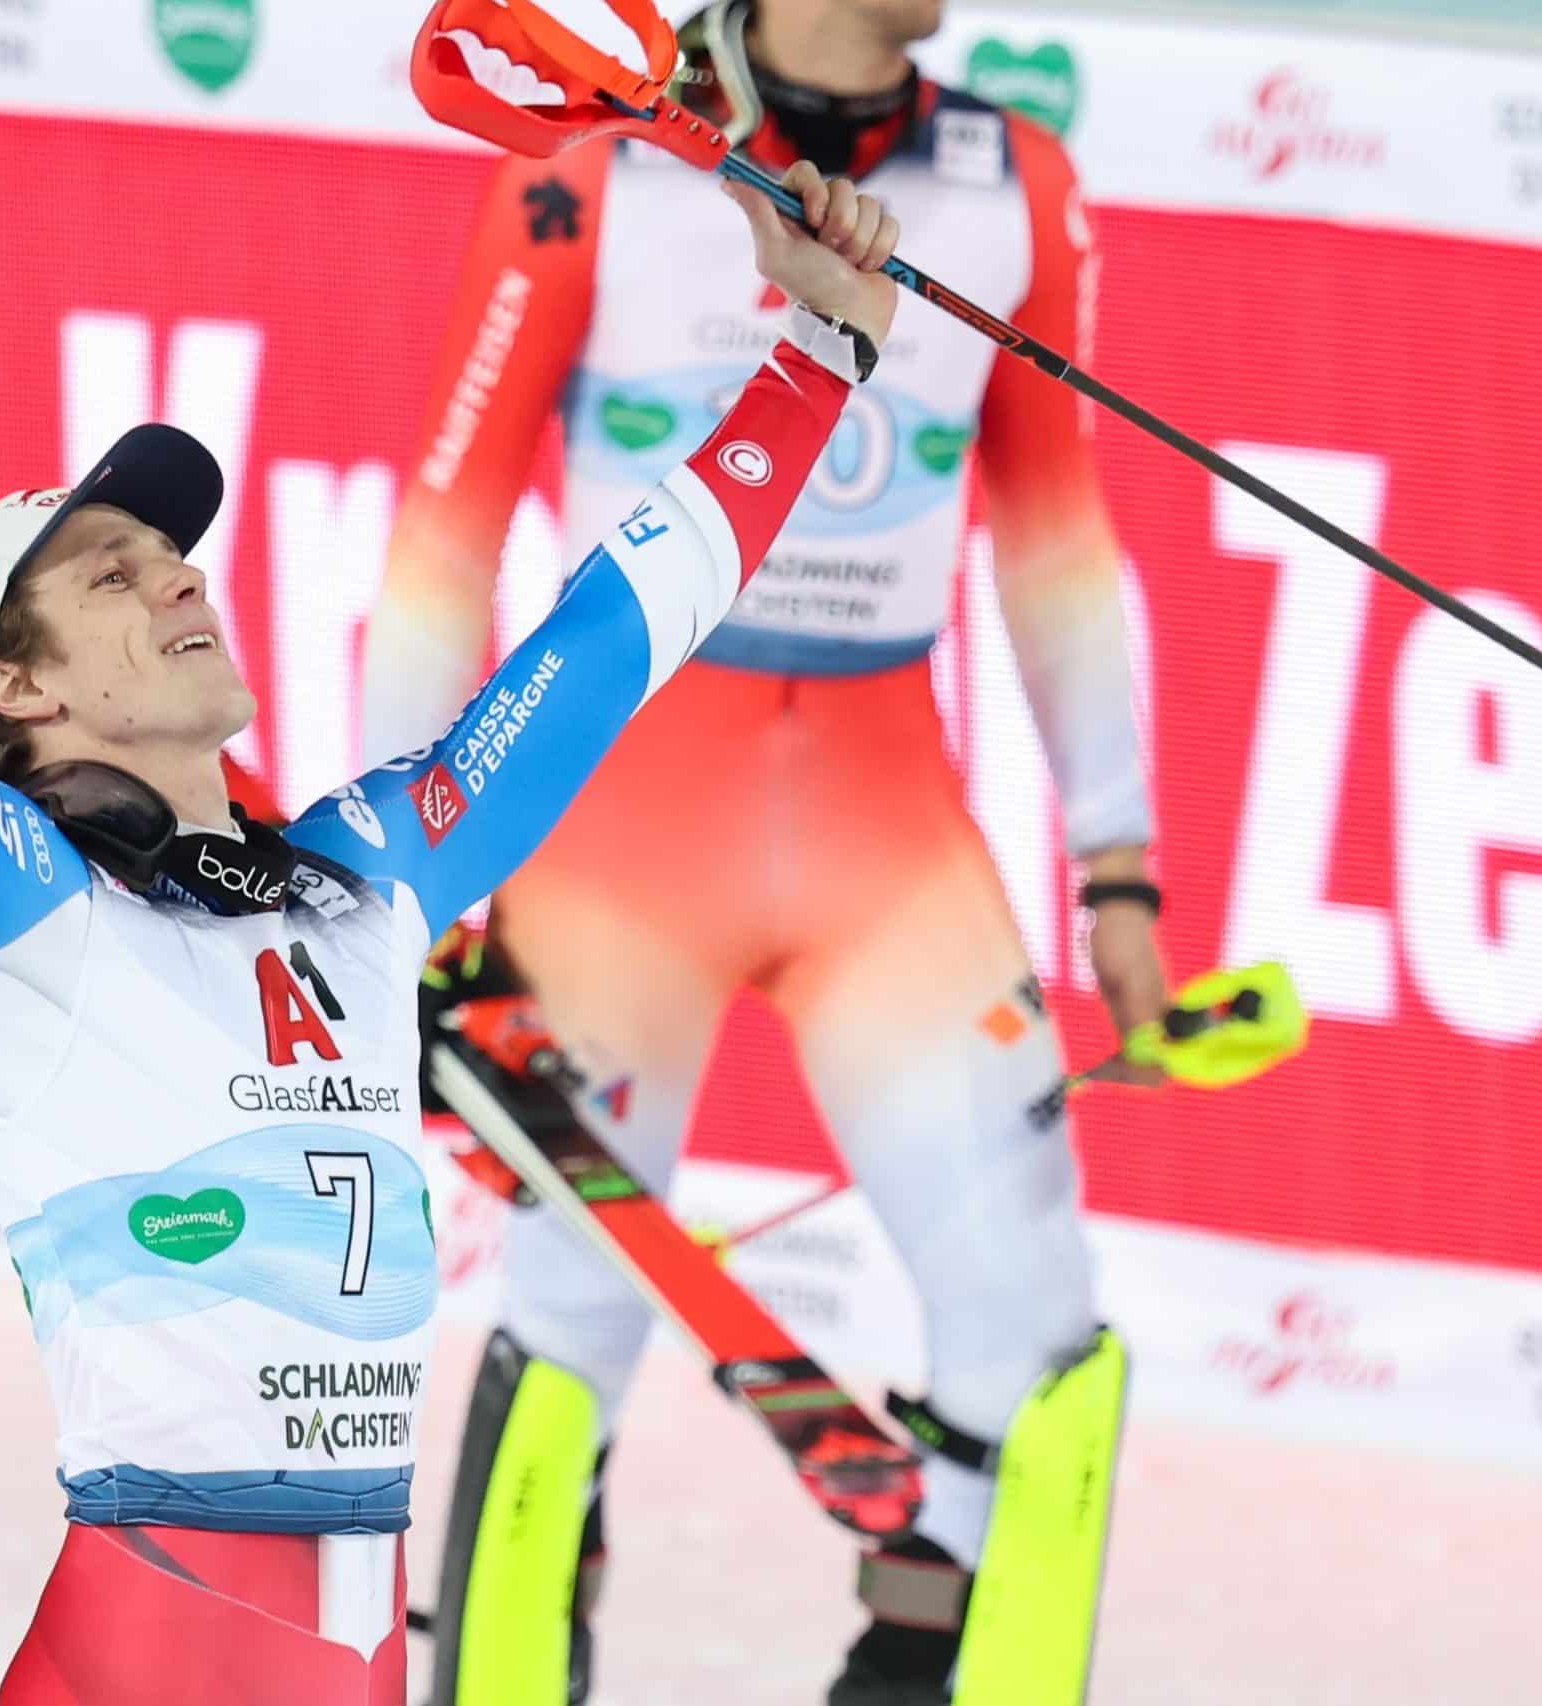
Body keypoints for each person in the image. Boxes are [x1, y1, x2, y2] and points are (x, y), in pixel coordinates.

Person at [0, 109, 903, 1705]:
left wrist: (821, 353)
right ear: (10, 686)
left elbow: (601, 643)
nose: (180, 578)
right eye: (110, 573)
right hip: (158, 1636)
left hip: (352, 1639)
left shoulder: (353, 885)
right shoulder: (15, 911)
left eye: (172, 553)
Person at [363, 2, 1166, 1699]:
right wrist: (398, 890)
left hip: (887, 834)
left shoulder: (1014, 178)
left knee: (1034, 1323)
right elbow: (443, 541)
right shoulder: (593, 170)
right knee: (572, 1319)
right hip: (618, 840)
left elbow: (1059, 546)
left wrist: (1120, 866)